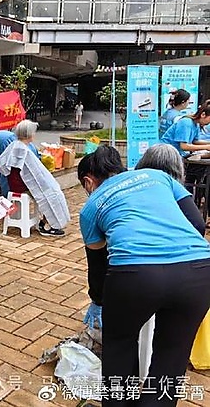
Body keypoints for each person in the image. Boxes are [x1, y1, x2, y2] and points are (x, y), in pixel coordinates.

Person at [78, 145, 210, 406]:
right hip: (198, 271)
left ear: (88, 181)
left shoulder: (91, 207)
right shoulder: (157, 176)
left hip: (135, 276)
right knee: (172, 356)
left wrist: (99, 301)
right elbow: (197, 222)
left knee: (119, 346)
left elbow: (98, 264)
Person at [0, 120, 68, 237]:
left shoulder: (14, 146)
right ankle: (46, 224)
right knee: (52, 193)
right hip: (21, 186)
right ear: (29, 134)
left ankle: (48, 222)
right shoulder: (24, 150)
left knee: (51, 189)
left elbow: (2, 165)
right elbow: (34, 173)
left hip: (16, 183)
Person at [161, 101, 210, 186]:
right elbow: (184, 146)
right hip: (167, 155)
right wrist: (206, 147)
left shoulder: (196, 124)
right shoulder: (186, 122)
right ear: (203, 115)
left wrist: (208, 144)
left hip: (177, 154)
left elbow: (195, 141)